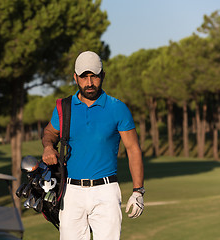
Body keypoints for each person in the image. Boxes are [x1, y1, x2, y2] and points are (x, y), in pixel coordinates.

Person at [42, 51, 144, 240]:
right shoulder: (64, 107)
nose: (89, 83)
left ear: (102, 75)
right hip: (71, 192)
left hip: (106, 191)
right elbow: (49, 133)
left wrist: (138, 191)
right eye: (84, 77)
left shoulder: (117, 108)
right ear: (75, 77)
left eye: (94, 76)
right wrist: (48, 146)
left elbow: (133, 149)